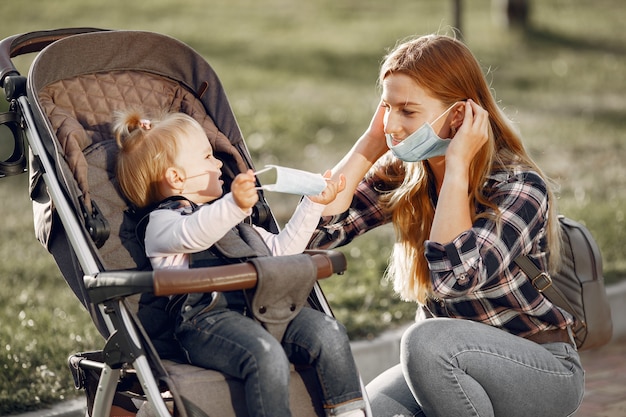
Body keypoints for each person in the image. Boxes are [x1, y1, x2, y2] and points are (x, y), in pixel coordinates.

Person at [309, 34, 584, 417]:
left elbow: (458, 278)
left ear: (458, 115)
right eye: (386, 108)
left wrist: (456, 169)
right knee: (363, 412)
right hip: (447, 362)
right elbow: (315, 234)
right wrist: (369, 145)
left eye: (408, 111)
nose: (392, 124)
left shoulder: (519, 186)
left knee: (425, 340)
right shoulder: (406, 175)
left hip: (540, 366)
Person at [114, 110, 366, 417]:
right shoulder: (163, 224)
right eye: (207, 157)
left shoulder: (237, 225)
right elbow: (194, 234)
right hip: (205, 322)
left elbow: (281, 252)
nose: (219, 163)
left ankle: (350, 412)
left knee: (329, 333)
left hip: (261, 310)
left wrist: (313, 205)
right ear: (176, 177)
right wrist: (232, 205)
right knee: (266, 354)